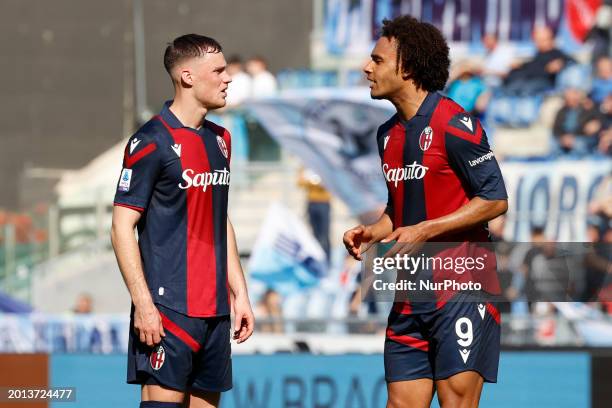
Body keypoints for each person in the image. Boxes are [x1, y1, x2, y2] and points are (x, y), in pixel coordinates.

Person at [343, 16, 508, 408]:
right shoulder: (387, 134)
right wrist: (374, 231)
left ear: (408, 66)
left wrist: (426, 230)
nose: (367, 68)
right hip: (411, 290)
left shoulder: (455, 123)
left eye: (377, 60)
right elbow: (399, 210)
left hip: (462, 288)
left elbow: (495, 198)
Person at [111, 34, 254, 408]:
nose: (228, 78)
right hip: (168, 309)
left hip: (216, 313)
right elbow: (121, 225)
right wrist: (143, 304)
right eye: (219, 70)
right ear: (187, 77)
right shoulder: (151, 140)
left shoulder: (221, 139)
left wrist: (239, 292)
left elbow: (219, 217)